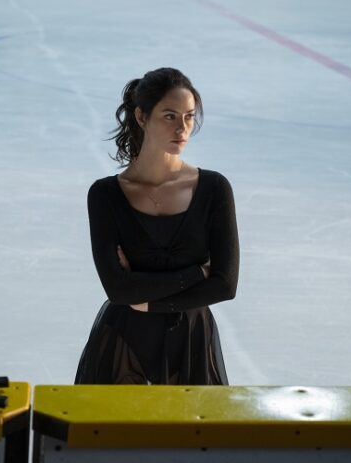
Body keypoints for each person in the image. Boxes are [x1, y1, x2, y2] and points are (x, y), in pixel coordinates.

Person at [75, 67, 239, 385]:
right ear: (141, 116)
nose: (182, 127)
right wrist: (197, 274)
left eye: (189, 116)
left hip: (192, 343)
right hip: (123, 344)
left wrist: (147, 300)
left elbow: (224, 285)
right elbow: (118, 290)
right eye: (169, 116)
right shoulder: (105, 195)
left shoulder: (214, 189)